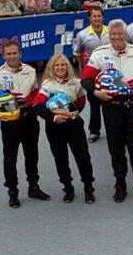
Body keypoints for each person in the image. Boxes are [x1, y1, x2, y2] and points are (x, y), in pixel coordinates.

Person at [81, 19, 133, 202]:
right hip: (111, 107)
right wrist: (96, 92)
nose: (116, 37)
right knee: (116, 149)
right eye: (113, 34)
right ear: (109, 35)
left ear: (126, 34)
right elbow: (85, 78)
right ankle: (120, 184)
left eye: (119, 34)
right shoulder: (99, 54)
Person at [0, 41, 47, 208]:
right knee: (10, 158)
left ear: (20, 53)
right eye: (9, 54)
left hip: (30, 120)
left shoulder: (30, 70)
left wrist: (36, 103)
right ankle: (13, 192)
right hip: (10, 123)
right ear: (3, 56)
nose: (12, 56)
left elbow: (36, 93)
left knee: (32, 155)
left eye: (15, 53)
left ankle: (33, 187)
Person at [32, 55, 95, 204]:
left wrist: (71, 114)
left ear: (68, 66)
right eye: (56, 65)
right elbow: (37, 105)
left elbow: (81, 102)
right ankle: (68, 188)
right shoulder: (48, 85)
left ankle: (88, 187)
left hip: (74, 125)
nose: (60, 68)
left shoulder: (76, 83)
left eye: (63, 65)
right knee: (61, 159)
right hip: (55, 127)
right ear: (51, 68)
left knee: (83, 157)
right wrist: (54, 117)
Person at [72, 6, 111, 142]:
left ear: (103, 17)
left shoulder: (110, 31)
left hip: (108, 74)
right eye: (94, 16)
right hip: (92, 75)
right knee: (94, 104)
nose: (97, 18)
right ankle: (94, 131)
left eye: (99, 15)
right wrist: (89, 66)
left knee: (110, 102)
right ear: (89, 18)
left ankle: (112, 129)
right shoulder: (82, 35)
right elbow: (77, 54)